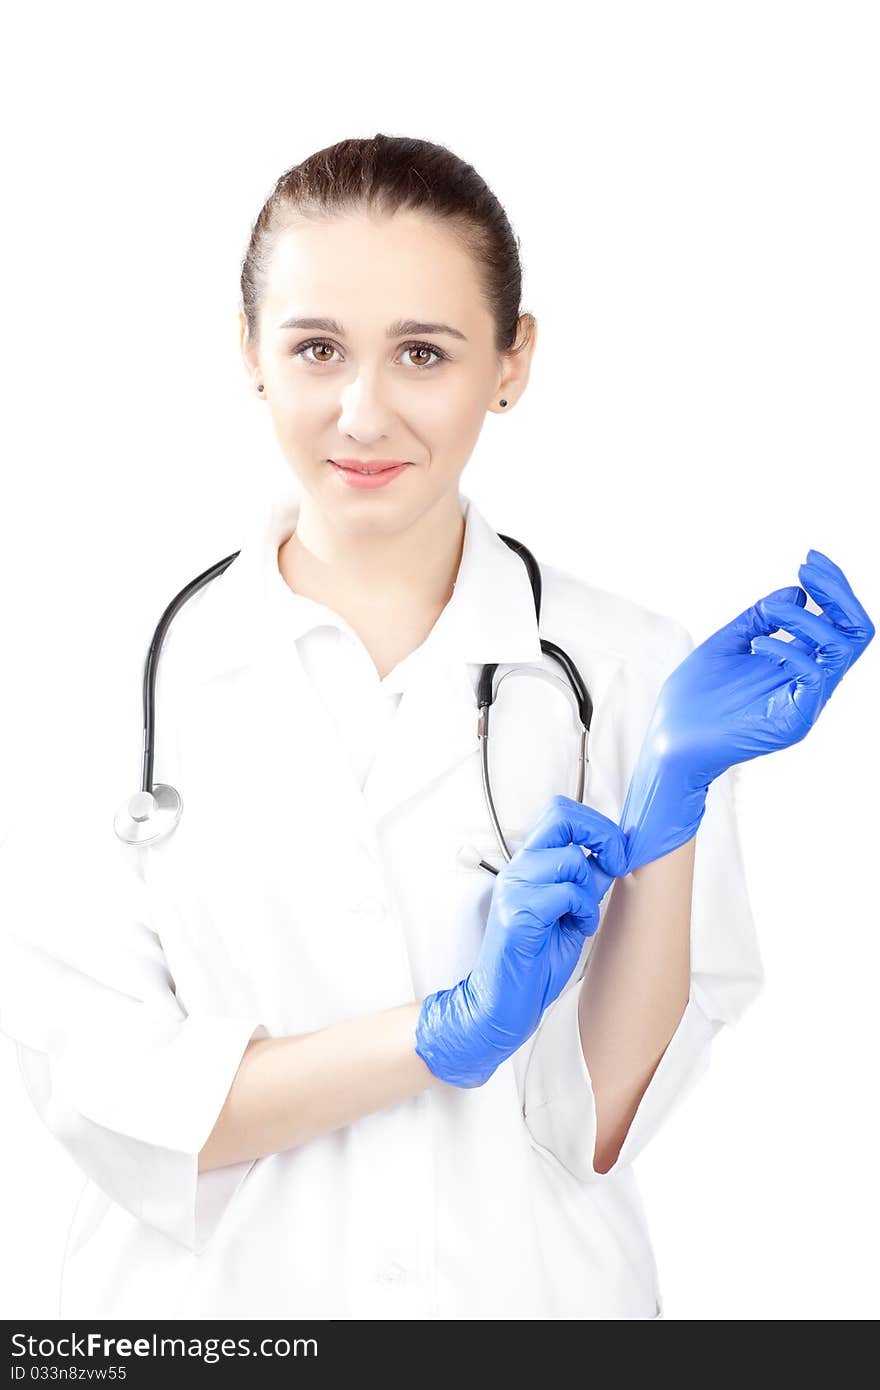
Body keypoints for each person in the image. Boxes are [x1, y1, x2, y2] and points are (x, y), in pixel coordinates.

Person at [0, 134, 872, 1321]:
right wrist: (445, 1034)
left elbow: (599, 1119)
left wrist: (669, 805)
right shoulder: (114, 677)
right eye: (317, 348)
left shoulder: (627, 672)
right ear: (249, 352)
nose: (363, 412)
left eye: (423, 352)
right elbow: (120, 1098)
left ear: (512, 363)